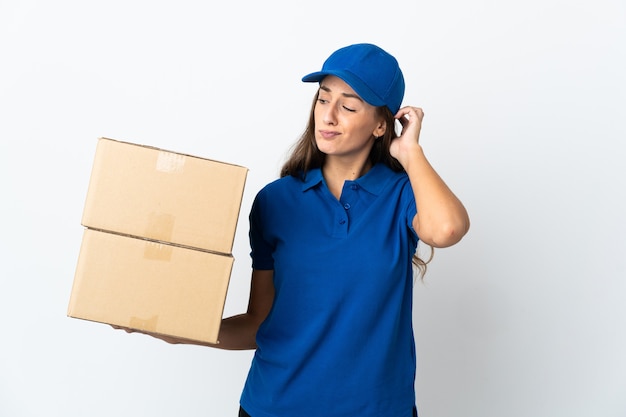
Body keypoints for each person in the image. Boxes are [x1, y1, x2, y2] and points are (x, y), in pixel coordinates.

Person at [130, 43, 469, 416]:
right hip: (275, 406)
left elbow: (447, 229)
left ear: (380, 124)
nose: (329, 116)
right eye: (323, 100)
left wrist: (409, 151)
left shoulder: (402, 195)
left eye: (349, 105)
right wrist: (181, 332)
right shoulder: (276, 201)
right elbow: (260, 322)